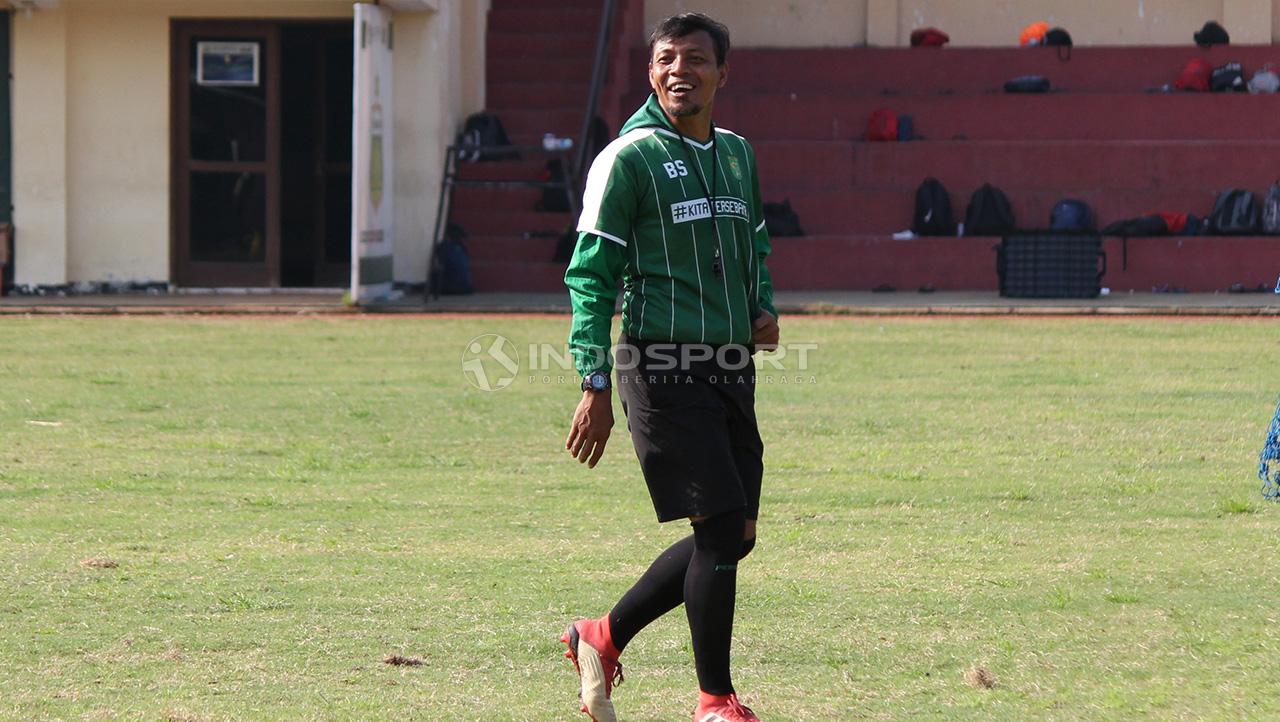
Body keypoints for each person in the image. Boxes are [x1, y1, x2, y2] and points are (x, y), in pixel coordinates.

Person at [559, 13, 779, 722]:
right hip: (659, 364)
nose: (678, 70)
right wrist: (593, 381)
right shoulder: (627, 158)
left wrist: (762, 306)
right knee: (718, 525)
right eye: (665, 59)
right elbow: (590, 274)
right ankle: (716, 700)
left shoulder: (738, 154)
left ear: (723, 72)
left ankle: (601, 635)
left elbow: (756, 241)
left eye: (694, 59)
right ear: (651, 72)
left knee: (734, 534)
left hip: (730, 364)